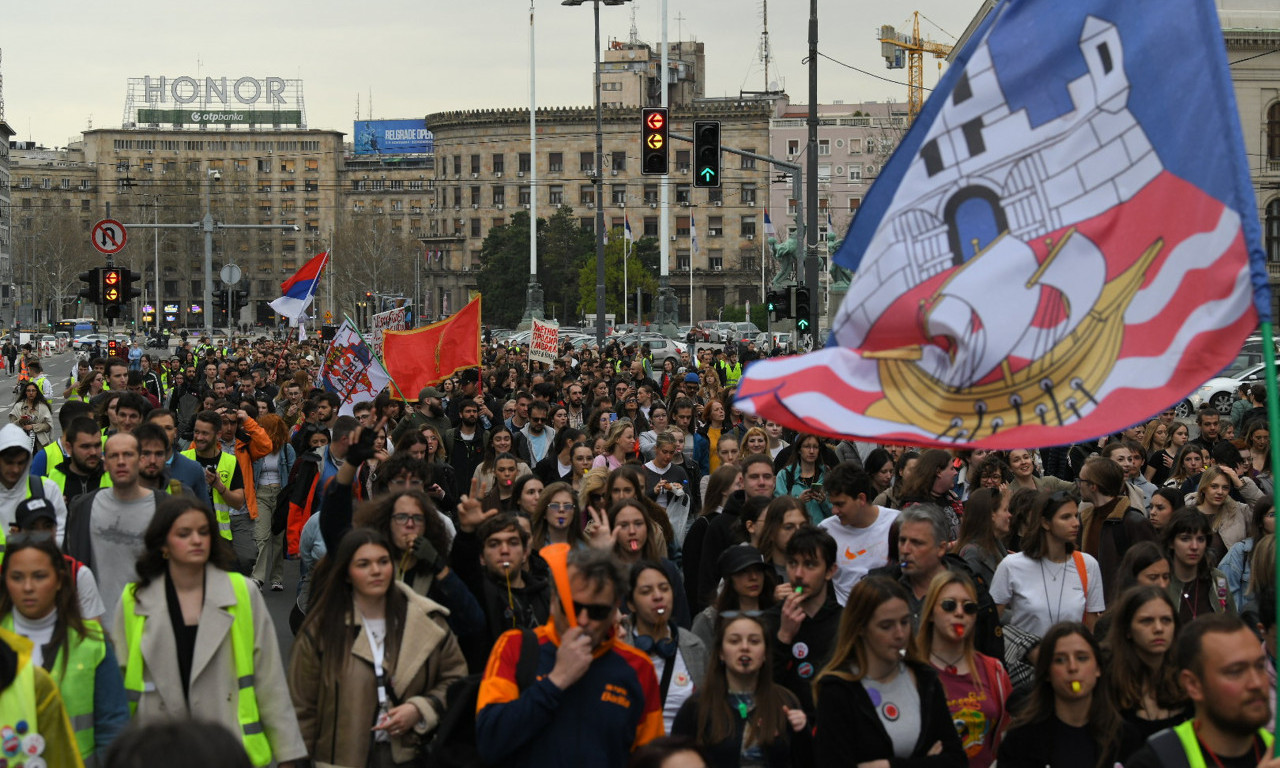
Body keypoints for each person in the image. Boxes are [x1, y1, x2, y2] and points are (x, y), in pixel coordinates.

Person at [110, 496, 306, 766]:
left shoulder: (242, 592)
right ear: (163, 544)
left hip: (230, 751)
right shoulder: (135, 599)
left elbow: (269, 679)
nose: (197, 540)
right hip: (156, 751)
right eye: (184, 533)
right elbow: (117, 686)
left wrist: (288, 755)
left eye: (204, 532)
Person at [288, 528, 468, 767]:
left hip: (410, 757)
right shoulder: (322, 630)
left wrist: (421, 709)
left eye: (383, 561)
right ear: (346, 574)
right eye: (363, 564)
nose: (376, 571)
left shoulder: (427, 620)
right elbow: (302, 708)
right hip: (341, 759)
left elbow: (455, 678)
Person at [475, 544, 664, 768]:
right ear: (554, 601)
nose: (583, 620)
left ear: (615, 609)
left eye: (597, 611)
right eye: (572, 608)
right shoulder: (514, 646)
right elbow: (489, 740)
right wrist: (556, 681)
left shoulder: (637, 667)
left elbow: (649, 758)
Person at [0, 532, 129, 759]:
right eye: (17, 577)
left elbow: (113, 727)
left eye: (39, 576)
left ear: (59, 580)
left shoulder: (92, 642)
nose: (28, 587)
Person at [813, 576, 966, 766]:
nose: (900, 634)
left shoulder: (924, 678)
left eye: (904, 622)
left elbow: (956, 760)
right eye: (886, 626)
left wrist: (888, 765)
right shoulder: (837, 690)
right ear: (860, 628)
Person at [1124, 612, 1276, 768]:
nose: (1256, 683)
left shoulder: (1273, 749)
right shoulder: (1156, 761)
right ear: (1193, 685)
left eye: (1260, 666)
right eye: (1236, 671)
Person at [996, 622, 1144, 768]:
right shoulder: (1022, 739)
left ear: (1098, 668)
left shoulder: (1124, 737)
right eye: (1060, 660)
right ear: (1047, 671)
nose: (1072, 668)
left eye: (1082, 658)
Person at [672, 612, 808, 767]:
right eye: (734, 641)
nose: (745, 647)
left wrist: (802, 732)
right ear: (721, 653)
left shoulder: (785, 702)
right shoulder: (697, 706)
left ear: (765, 653)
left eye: (754, 641)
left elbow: (806, 761)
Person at [915, 571, 1012, 768]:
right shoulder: (910, 672)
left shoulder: (994, 671)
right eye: (949, 605)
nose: (960, 613)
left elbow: (1007, 736)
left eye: (969, 608)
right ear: (931, 612)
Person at [63, 433, 167, 617]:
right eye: (113, 456)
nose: (121, 461)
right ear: (105, 464)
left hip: (149, 626)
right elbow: (69, 566)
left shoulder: (165, 508)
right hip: (97, 628)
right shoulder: (83, 507)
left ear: (140, 460)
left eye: (128, 454)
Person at [990, 489, 1106, 637]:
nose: (1076, 523)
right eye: (1066, 517)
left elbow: (1091, 628)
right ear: (1045, 522)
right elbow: (991, 623)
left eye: (1076, 516)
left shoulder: (1088, 564)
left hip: (1070, 656)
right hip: (1026, 658)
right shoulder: (1011, 565)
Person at [623, 561, 708, 735]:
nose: (658, 596)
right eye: (646, 591)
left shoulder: (694, 646)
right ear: (631, 603)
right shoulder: (619, 646)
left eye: (664, 588)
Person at [768, 527, 843, 717]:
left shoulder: (846, 622)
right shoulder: (770, 619)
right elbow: (762, 686)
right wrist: (784, 637)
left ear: (830, 571)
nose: (799, 574)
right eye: (793, 563)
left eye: (810, 565)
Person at [1103, 585, 1191, 739]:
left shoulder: (1187, 678)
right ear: (1127, 629)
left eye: (1166, 620)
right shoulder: (1108, 681)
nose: (1158, 628)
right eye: (1146, 621)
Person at [816, 463, 899, 605]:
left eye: (840, 504)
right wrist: (797, 591)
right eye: (833, 504)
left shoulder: (896, 523)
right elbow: (809, 578)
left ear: (861, 499)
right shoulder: (826, 530)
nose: (834, 511)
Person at [1077, 456, 1156, 601]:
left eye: (1081, 481)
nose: (1078, 485)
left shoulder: (1134, 522)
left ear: (1093, 486)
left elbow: (1151, 572)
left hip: (1122, 609)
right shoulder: (1084, 519)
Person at [690, 545, 777, 650]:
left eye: (758, 570)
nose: (753, 577)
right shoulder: (709, 620)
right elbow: (696, 661)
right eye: (744, 571)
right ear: (729, 578)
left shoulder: (776, 614)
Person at [1163, 508, 1236, 622]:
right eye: (1185, 539)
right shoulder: (1161, 581)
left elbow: (1231, 623)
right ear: (1171, 542)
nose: (1194, 546)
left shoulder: (1218, 580)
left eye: (1201, 539)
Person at [1220, 495, 1274, 609]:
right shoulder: (1241, 552)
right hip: (1248, 623)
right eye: (1273, 515)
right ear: (1260, 521)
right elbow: (1224, 594)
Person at [955, 487, 1011, 587]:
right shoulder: (972, 552)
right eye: (1005, 510)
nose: (1009, 515)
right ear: (992, 514)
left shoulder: (996, 544)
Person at [774, 434, 831, 525]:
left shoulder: (826, 474)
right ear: (799, 450)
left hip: (821, 534)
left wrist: (824, 502)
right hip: (795, 533)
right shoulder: (785, 475)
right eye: (807, 446)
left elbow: (836, 513)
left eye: (815, 447)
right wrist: (798, 502)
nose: (811, 451)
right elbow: (777, 510)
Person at [8, 380, 53, 449]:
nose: (31, 393)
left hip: (39, 443)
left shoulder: (42, 407)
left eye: (33, 391)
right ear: (25, 392)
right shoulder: (18, 406)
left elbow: (48, 426)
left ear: (36, 392)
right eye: (28, 391)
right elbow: (12, 425)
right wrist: (21, 421)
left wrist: (32, 427)